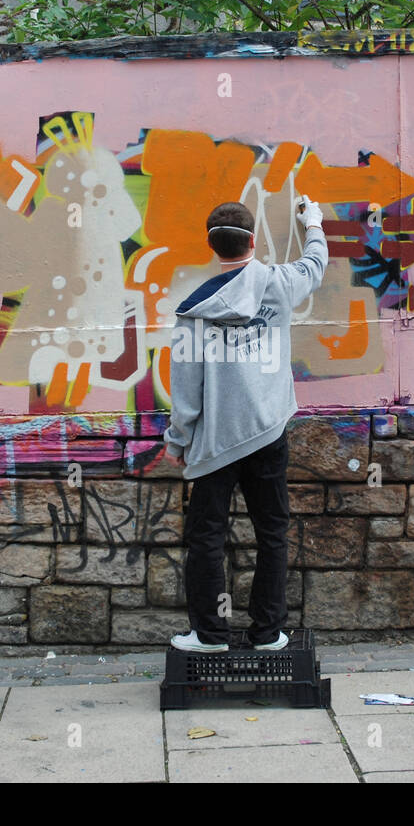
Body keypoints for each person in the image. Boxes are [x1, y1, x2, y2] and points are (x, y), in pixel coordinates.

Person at [163, 194, 328, 652]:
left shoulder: (193, 311)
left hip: (216, 442)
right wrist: (312, 222)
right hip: (270, 431)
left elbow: (186, 389)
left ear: (212, 247)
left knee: (207, 540)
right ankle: (267, 633)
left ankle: (211, 635)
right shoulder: (279, 284)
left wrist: (177, 442)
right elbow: (315, 264)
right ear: (252, 241)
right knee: (272, 533)